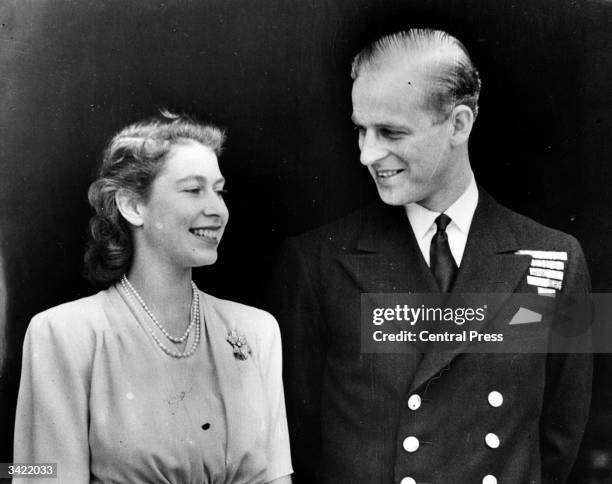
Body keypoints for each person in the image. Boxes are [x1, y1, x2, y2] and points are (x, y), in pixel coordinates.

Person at [270, 29, 592, 483]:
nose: (367, 154)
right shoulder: (315, 262)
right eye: (361, 130)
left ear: (459, 124)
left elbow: (562, 436)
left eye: (391, 132)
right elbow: (298, 441)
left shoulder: (560, 258)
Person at [14, 112, 293, 483]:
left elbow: (276, 477)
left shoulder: (257, 331)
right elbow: (38, 475)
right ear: (133, 206)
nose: (218, 210)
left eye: (219, 190)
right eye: (193, 190)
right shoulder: (64, 334)